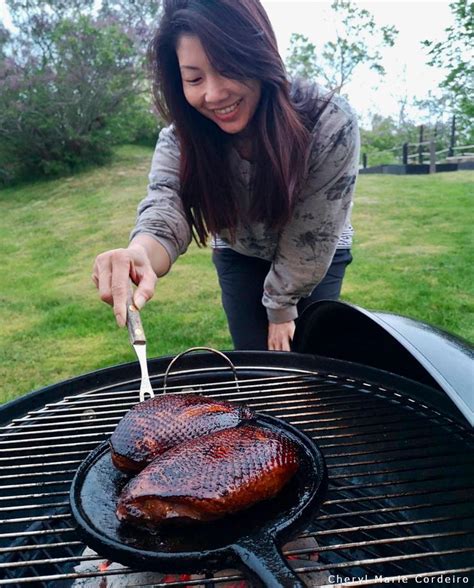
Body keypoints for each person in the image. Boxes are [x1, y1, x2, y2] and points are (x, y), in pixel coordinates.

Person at [92, 0, 360, 352]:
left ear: (258, 55)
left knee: (310, 359)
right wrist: (139, 252)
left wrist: (281, 308)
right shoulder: (180, 140)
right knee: (254, 361)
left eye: (228, 67)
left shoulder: (328, 123)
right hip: (238, 250)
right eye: (194, 78)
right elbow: (164, 208)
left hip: (316, 251)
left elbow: (312, 231)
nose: (214, 94)